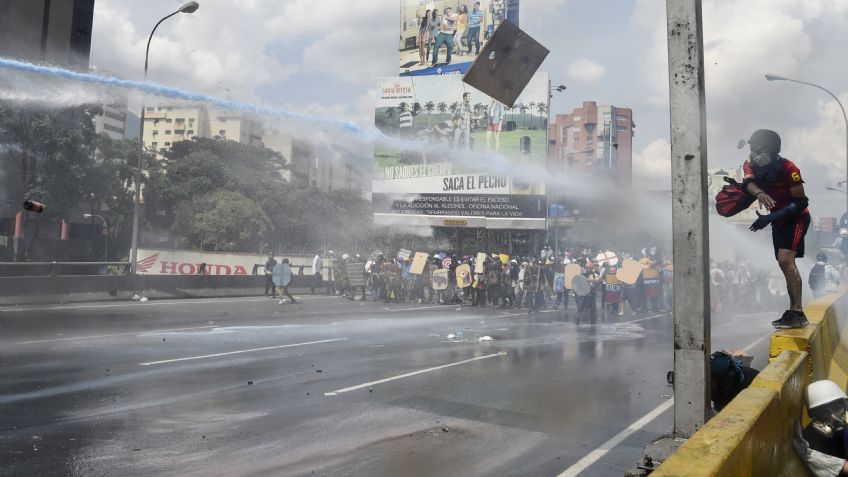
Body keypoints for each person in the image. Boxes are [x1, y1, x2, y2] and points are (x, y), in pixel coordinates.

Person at [744, 129, 811, 329]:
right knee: (783, 264)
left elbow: (801, 202)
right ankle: (794, 311)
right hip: (777, 220)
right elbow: (748, 183)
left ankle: (797, 312)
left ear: (769, 150)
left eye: (756, 149)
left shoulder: (789, 168)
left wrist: (770, 217)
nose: (752, 153)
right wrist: (759, 193)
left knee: (785, 260)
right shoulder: (750, 164)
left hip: (796, 219)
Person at [793, 380, 848, 476]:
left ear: (845, 406)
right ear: (814, 416)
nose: (833, 416)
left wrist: (837, 466)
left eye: (837, 408)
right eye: (824, 412)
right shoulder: (813, 437)